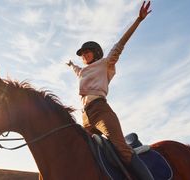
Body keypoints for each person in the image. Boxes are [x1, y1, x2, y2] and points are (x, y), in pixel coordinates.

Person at [67, 1, 154, 180]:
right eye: (82, 54)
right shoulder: (83, 71)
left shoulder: (105, 63)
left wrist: (138, 20)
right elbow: (78, 72)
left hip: (100, 111)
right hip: (85, 117)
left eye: (87, 52)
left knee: (121, 149)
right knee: (85, 152)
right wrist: (71, 65)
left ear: (96, 52)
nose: (84, 55)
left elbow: (120, 44)